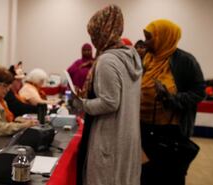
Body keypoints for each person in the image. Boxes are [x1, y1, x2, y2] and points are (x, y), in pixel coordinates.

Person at [72, 5, 142, 185]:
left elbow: (110, 102)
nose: (93, 40)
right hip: (127, 135)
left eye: (94, 34)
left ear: (102, 32)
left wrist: (82, 103)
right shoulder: (130, 55)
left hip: (110, 136)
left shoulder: (107, 60)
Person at [140, 19, 205, 185]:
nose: (145, 43)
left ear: (164, 37)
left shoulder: (185, 61)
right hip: (144, 130)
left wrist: (170, 99)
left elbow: (198, 93)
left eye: (149, 38)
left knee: (169, 177)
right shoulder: (147, 59)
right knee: (146, 176)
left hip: (171, 132)